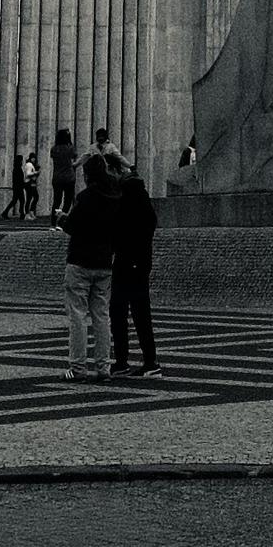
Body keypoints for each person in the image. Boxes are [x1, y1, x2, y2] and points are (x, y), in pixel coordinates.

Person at [62, 150, 121, 382]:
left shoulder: (85, 198)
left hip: (80, 261)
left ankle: (77, 368)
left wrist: (61, 219)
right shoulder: (116, 197)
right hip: (105, 262)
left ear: (87, 175)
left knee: (77, 315)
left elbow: (72, 227)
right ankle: (104, 367)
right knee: (101, 316)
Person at [109, 156, 162, 381]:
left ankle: (122, 361)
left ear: (117, 171)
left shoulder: (126, 196)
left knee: (119, 310)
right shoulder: (141, 195)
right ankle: (150, 362)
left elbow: (118, 228)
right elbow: (150, 223)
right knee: (141, 312)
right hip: (141, 261)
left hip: (127, 261)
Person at [48, 128, 77, 225]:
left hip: (57, 177)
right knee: (67, 201)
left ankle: (53, 222)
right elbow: (74, 156)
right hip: (69, 177)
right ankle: (62, 220)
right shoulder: (70, 148)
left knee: (56, 200)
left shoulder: (54, 149)